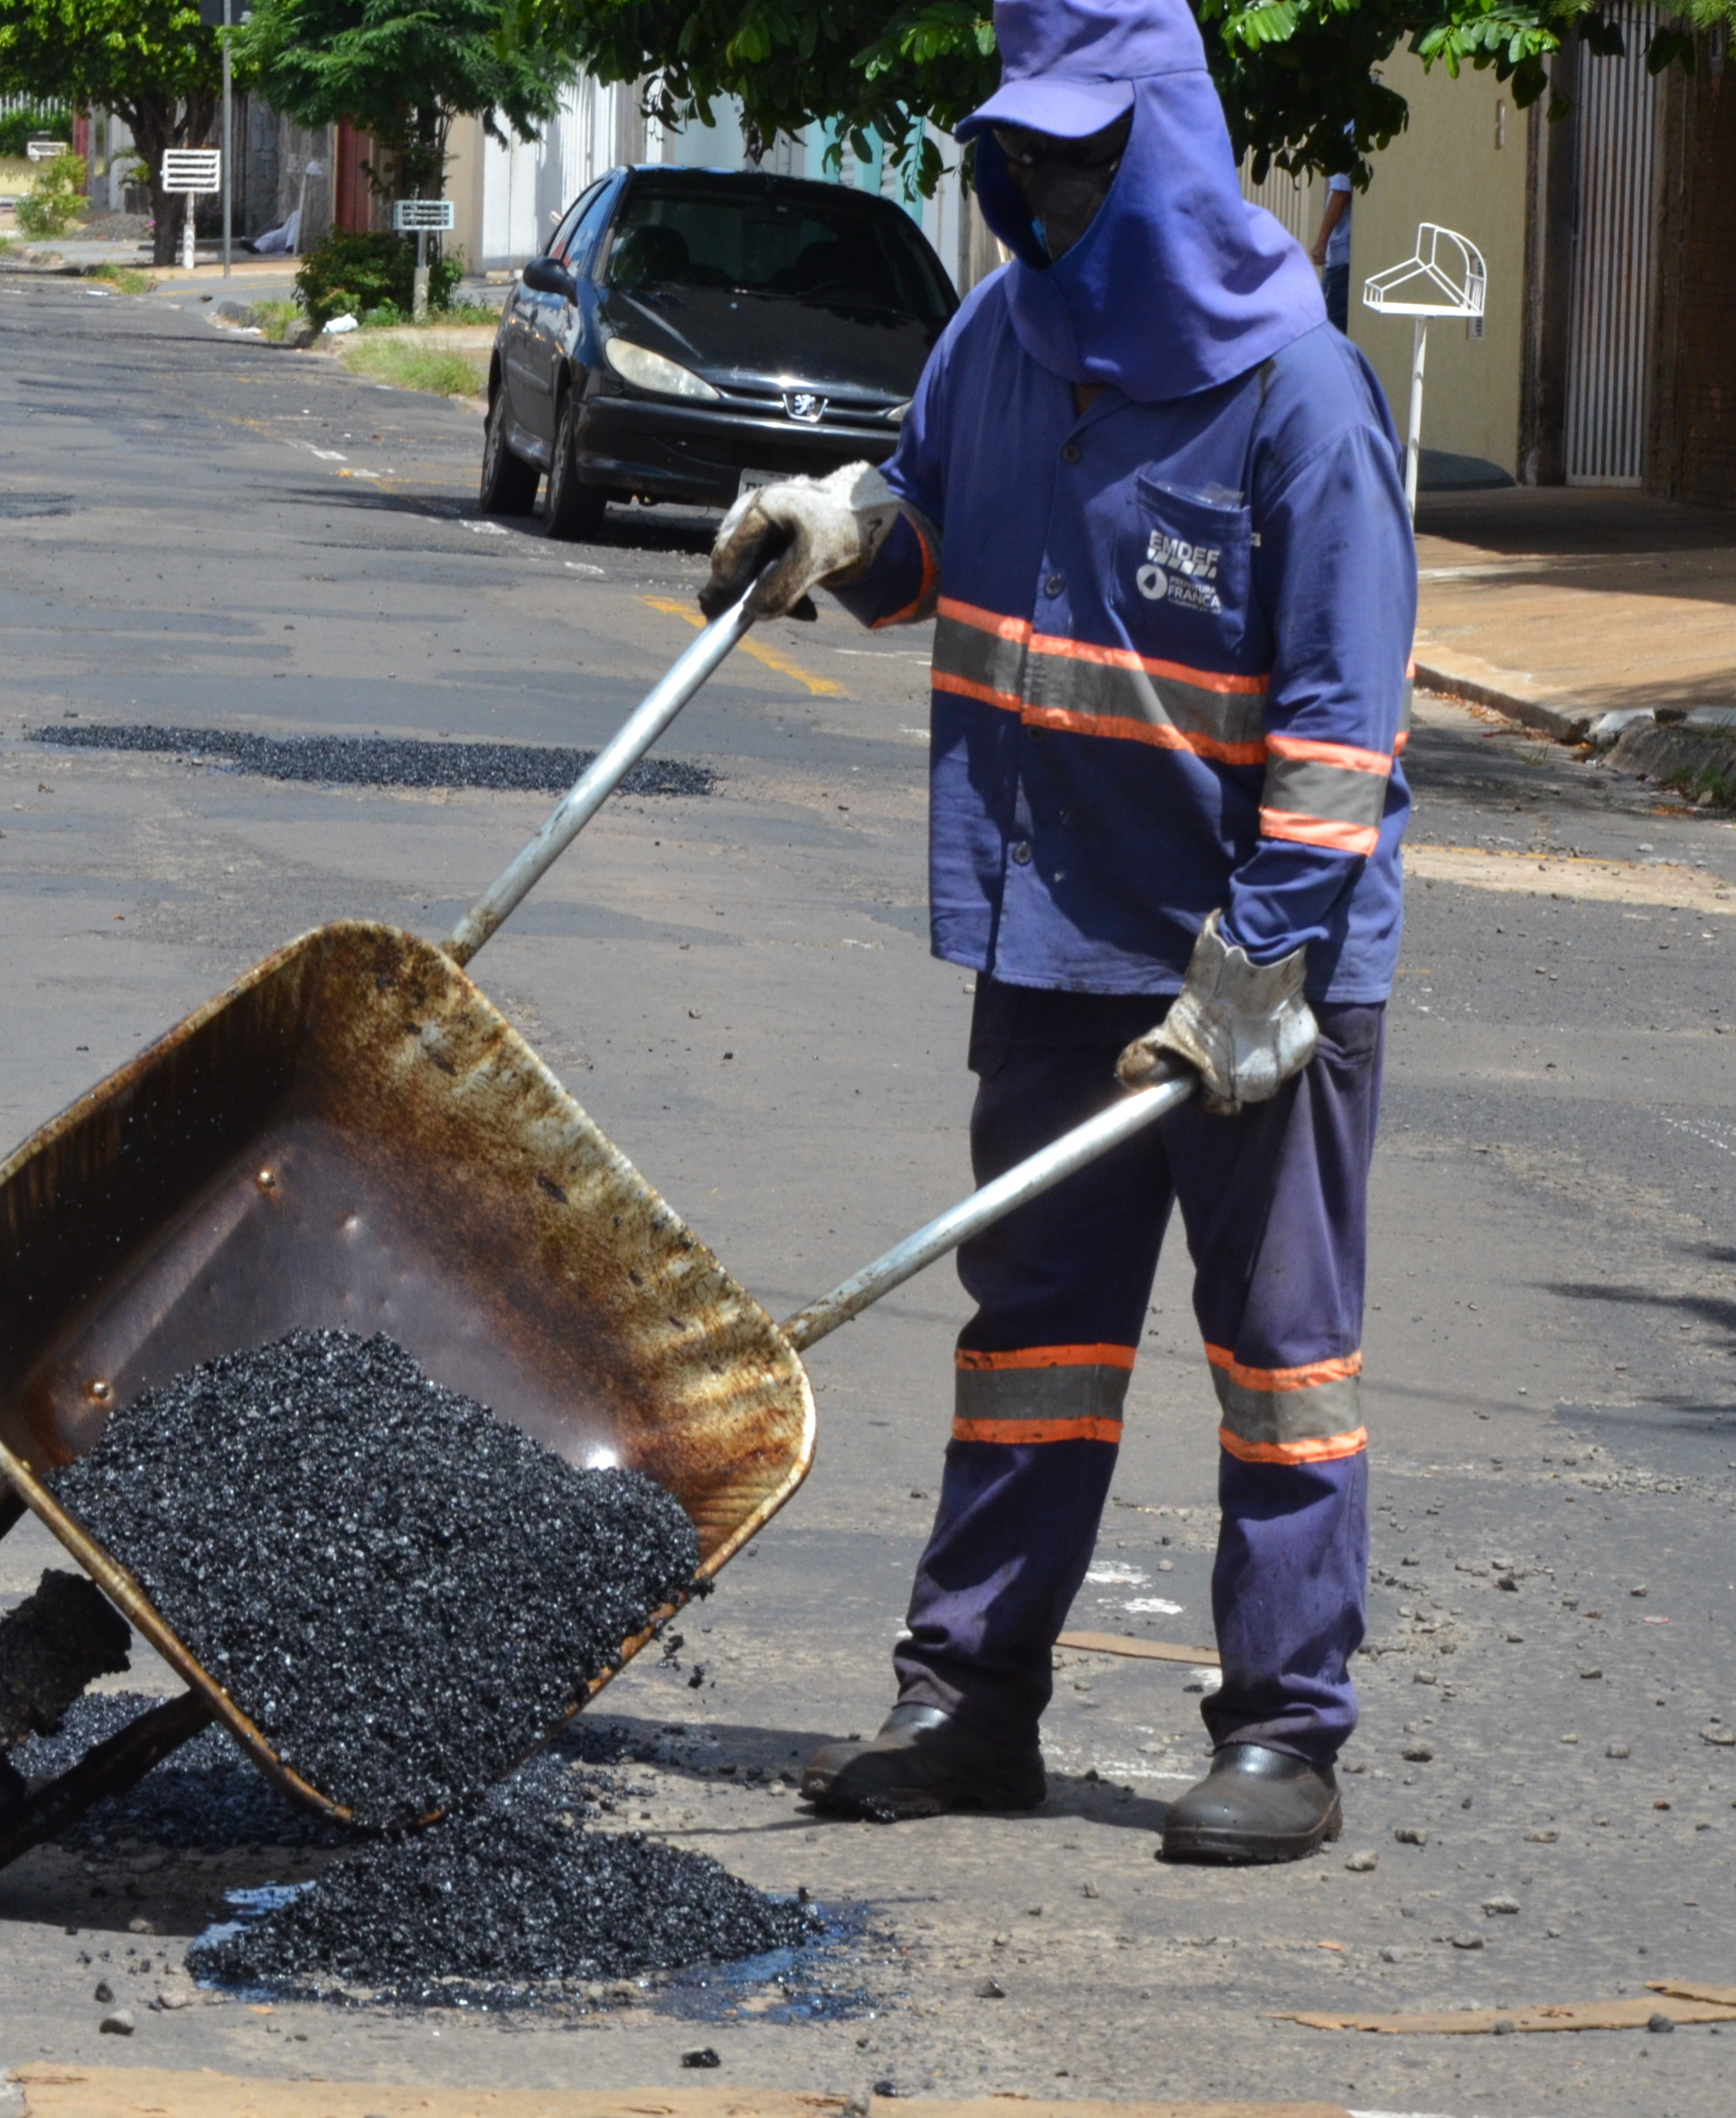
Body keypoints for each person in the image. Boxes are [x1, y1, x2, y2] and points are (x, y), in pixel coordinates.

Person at [699, 0, 1413, 1865]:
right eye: (1021, 160)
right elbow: (934, 533)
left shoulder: (1302, 398)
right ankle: (969, 1698)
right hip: (1052, 934)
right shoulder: (999, 339)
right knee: (1034, 1337)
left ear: (1166, 153)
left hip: (1258, 971)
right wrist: (838, 531)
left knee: (1280, 1356)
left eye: (1083, 164)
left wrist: (1257, 966)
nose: (1043, 198)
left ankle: (1285, 1728)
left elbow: (1339, 740)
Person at [1312, 173, 1355, 331]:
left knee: (1329, 326)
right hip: (1343, 260)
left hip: (1342, 259)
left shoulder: (1340, 162)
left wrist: (1321, 242)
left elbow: (1341, 192)